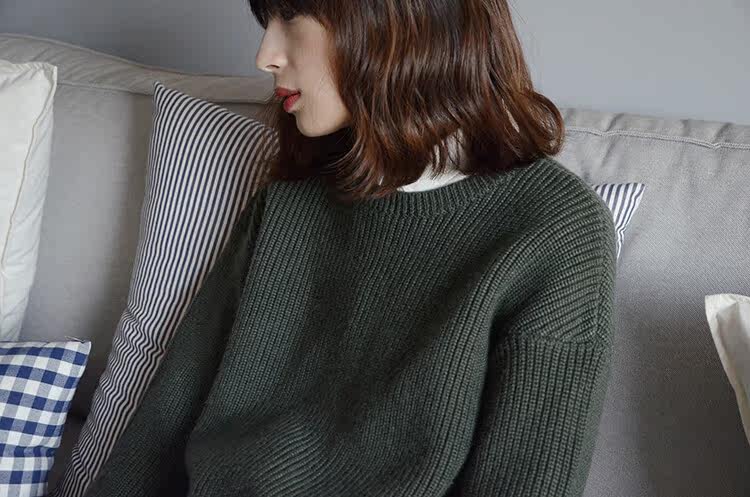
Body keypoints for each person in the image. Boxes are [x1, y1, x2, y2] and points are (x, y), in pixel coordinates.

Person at [81, 1, 617, 496]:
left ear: (399, 21)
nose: (265, 56)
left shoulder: (555, 229)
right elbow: (165, 419)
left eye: (291, 17)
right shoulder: (292, 198)